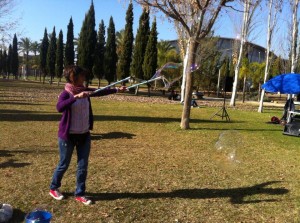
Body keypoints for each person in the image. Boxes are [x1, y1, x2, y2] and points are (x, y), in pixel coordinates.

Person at [49, 65, 126, 205]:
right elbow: (59, 107)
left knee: (83, 166)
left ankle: (80, 193)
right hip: (68, 136)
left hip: (84, 134)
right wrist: (76, 97)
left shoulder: (85, 90)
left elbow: (100, 91)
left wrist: (117, 90)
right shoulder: (66, 93)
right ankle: (54, 188)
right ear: (74, 77)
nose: (84, 78)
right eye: (82, 76)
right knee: (64, 164)